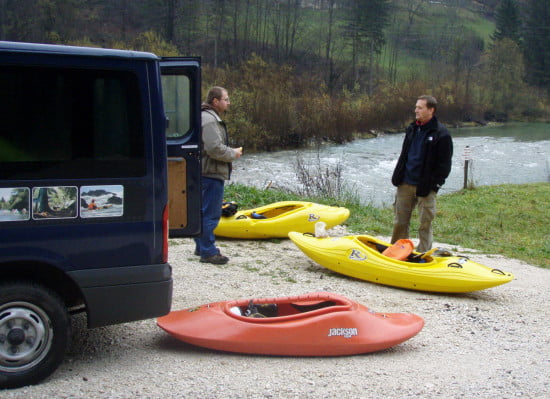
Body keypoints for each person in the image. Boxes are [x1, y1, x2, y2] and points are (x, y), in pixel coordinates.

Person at [390, 95, 453, 252]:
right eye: (416, 107)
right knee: (400, 222)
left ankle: (423, 254)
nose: (416, 110)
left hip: (425, 187)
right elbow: (404, 154)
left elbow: (444, 165)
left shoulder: (442, 133)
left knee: (425, 223)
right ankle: (397, 251)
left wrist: (435, 185)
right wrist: (398, 175)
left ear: (431, 110)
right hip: (405, 183)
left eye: (420, 107)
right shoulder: (411, 129)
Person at [194, 86, 242, 264]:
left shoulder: (204, 116)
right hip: (211, 172)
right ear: (215, 101)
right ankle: (208, 251)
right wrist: (233, 154)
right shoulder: (210, 120)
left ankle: (201, 247)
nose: (228, 102)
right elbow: (214, 148)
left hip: (204, 171)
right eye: (226, 99)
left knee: (203, 211)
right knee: (211, 214)